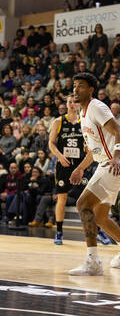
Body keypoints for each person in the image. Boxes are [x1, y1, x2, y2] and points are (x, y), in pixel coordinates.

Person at [68, 72, 120, 276]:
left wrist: (117, 156)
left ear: (90, 90)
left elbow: (118, 130)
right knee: (100, 217)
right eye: (74, 86)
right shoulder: (83, 113)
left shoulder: (97, 106)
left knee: (83, 205)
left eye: (80, 86)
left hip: (112, 165)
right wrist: (80, 167)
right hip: (104, 163)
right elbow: (94, 150)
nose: (75, 89)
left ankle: (93, 261)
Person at [49, 94, 85, 245]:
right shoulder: (59, 121)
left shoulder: (85, 122)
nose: (72, 104)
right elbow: (51, 143)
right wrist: (59, 156)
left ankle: (97, 230)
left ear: (79, 105)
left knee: (88, 200)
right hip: (63, 164)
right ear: (66, 104)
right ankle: (59, 232)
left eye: (75, 102)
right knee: (62, 198)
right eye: (70, 101)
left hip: (80, 164)